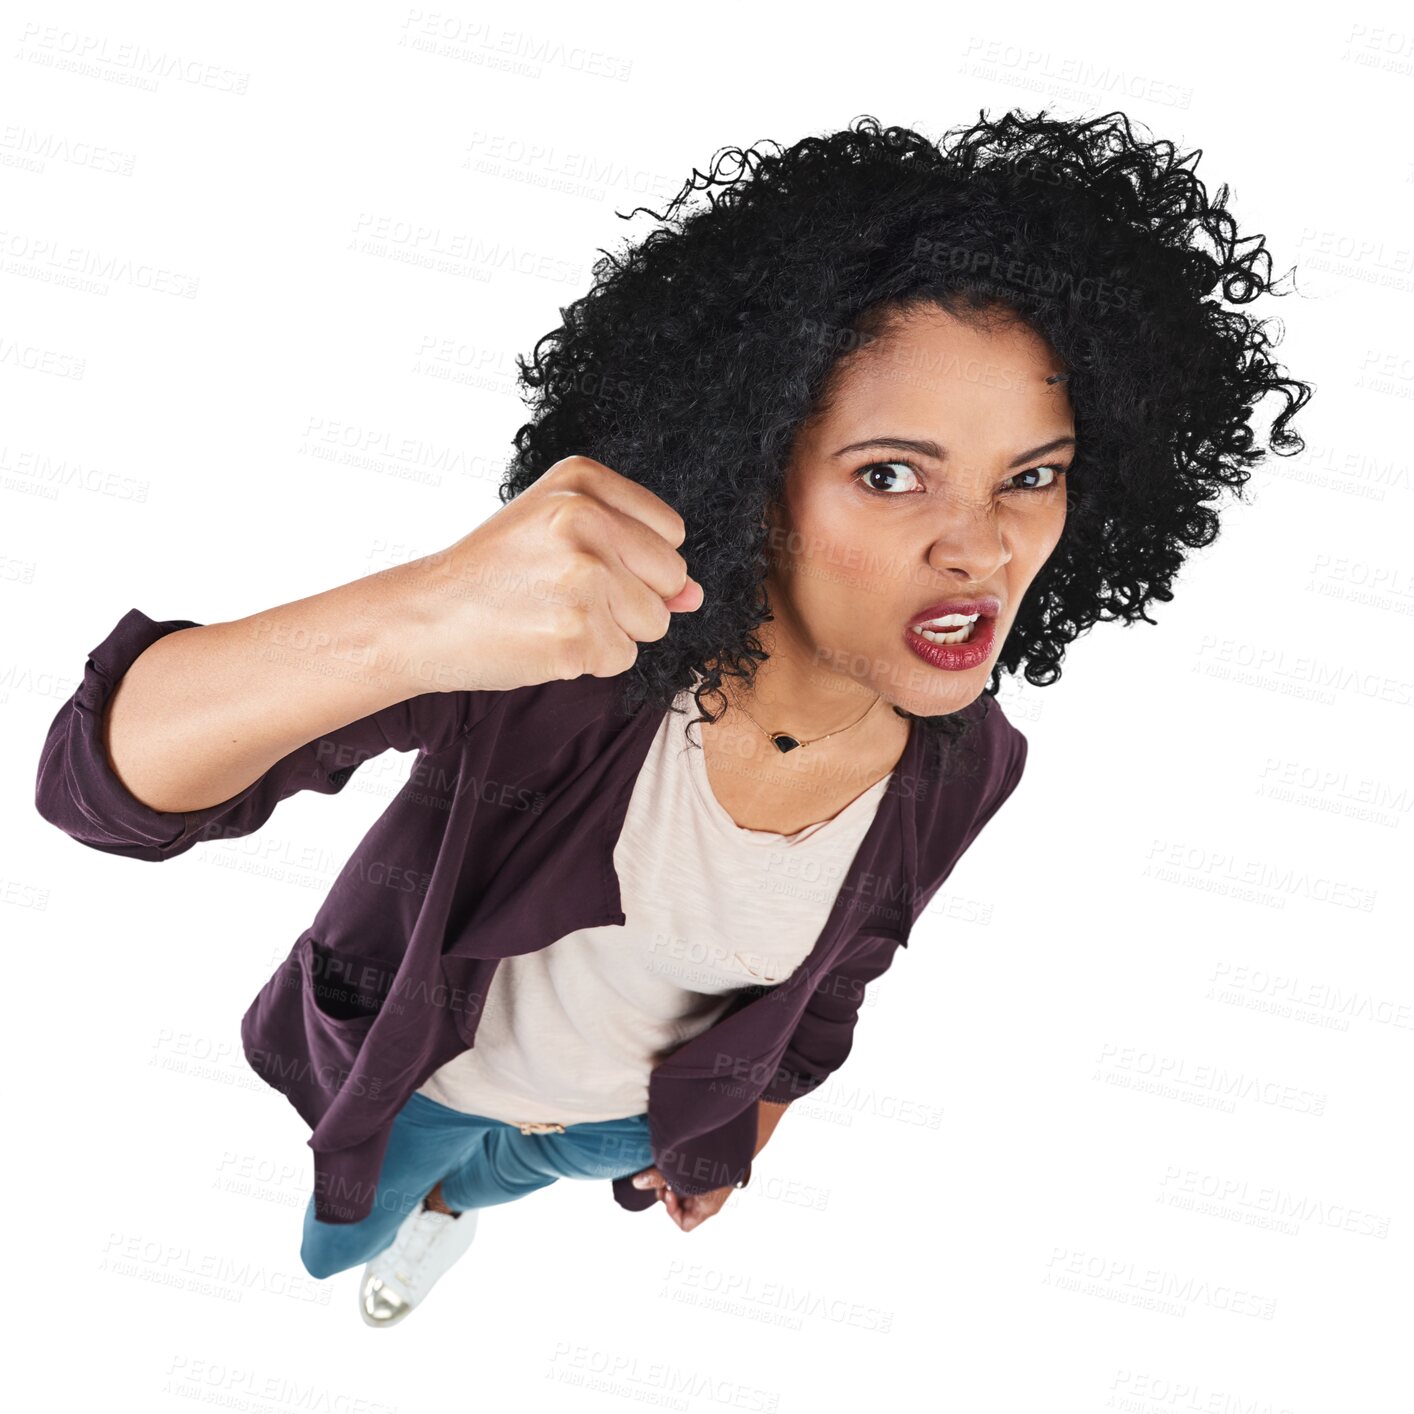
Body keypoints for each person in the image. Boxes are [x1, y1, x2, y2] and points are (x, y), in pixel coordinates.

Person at [34, 110, 1310, 1328]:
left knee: (508, 1175)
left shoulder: (969, 759)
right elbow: (98, 789)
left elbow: (844, 970)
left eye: (1031, 476)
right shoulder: (570, 667)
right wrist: (421, 613)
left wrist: (745, 1121)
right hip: (430, 1073)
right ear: (752, 472)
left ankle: (459, 1206)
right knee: (346, 1240)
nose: (980, 547)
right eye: (888, 475)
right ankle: (412, 1218)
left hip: (625, 1123)